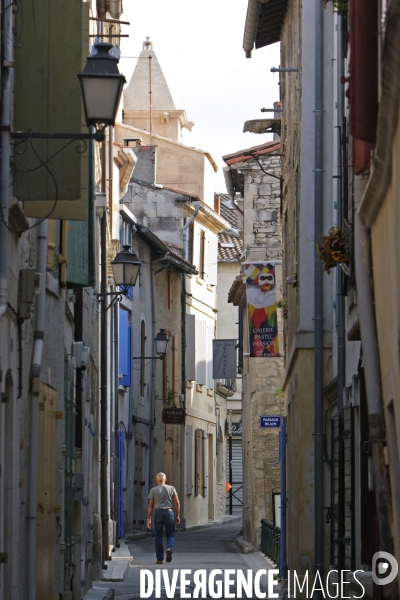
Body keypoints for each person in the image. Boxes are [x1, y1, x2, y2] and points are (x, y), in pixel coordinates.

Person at [147, 472, 180, 564]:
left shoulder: (153, 490)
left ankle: (159, 559)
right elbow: (177, 502)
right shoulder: (172, 488)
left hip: (158, 513)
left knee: (158, 536)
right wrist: (177, 515)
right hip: (169, 512)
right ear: (165, 480)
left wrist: (148, 519)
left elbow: (150, 506)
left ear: (156, 480)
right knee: (171, 534)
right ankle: (169, 548)